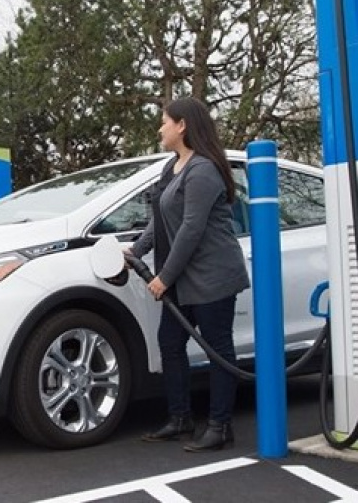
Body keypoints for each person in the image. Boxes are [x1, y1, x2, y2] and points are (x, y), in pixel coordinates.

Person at [129, 97, 250, 452]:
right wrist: (135, 251)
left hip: (212, 275)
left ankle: (220, 426)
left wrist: (163, 277)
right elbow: (161, 220)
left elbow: (191, 229)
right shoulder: (173, 168)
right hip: (185, 278)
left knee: (218, 350)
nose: (160, 128)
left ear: (182, 125)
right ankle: (180, 418)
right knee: (170, 343)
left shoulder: (204, 170)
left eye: (164, 121)